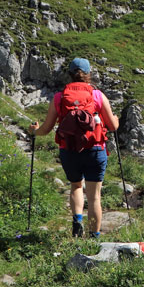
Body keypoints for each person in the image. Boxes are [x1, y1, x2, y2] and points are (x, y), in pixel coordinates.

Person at [30, 57, 120, 237]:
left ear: (69, 75)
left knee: (76, 186)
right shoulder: (97, 96)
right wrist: (116, 119)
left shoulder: (59, 97)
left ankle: (77, 221)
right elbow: (112, 127)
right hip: (95, 149)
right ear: (88, 75)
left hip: (69, 149)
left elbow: (46, 129)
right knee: (95, 196)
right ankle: (94, 237)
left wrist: (34, 131)